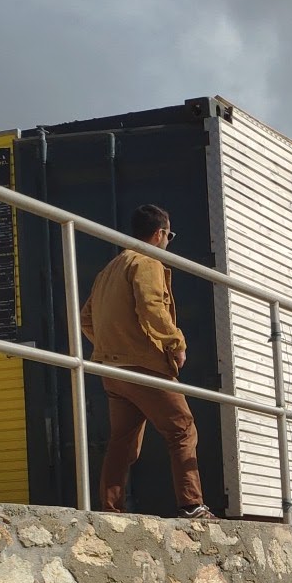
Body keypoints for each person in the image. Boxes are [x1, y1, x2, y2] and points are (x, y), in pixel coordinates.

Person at [80, 203, 210, 518]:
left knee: (123, 442)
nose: (168, 242)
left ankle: (111, 509)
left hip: (111, 370)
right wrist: (175, 342)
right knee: (182, 428)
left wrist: (113, 345)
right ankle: (192, 505)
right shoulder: (147, 262)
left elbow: (86, 318)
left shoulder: (109, 269)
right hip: (144, 366)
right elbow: (152, 307)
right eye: (169, 236)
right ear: (159, 234)